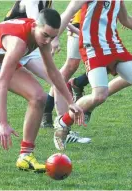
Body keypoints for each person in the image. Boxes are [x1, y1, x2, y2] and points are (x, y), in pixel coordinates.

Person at [0, 9, 84, 170]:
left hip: (3, 62)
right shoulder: (18, 43)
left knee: (39, 97)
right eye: (45, 35)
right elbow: (2, 83)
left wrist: (70, 102)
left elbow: (53, 72)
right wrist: (3, 123)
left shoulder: (41, 36)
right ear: (36, 25)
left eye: (52, 37)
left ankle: (26, 156)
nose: (48, 41)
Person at [51, 0, 132, 150]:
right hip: (93, 48)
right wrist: (54, 38)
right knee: (99, 96)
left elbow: (126, 20)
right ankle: (63, 122)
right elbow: (69, 11)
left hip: (114, 46)